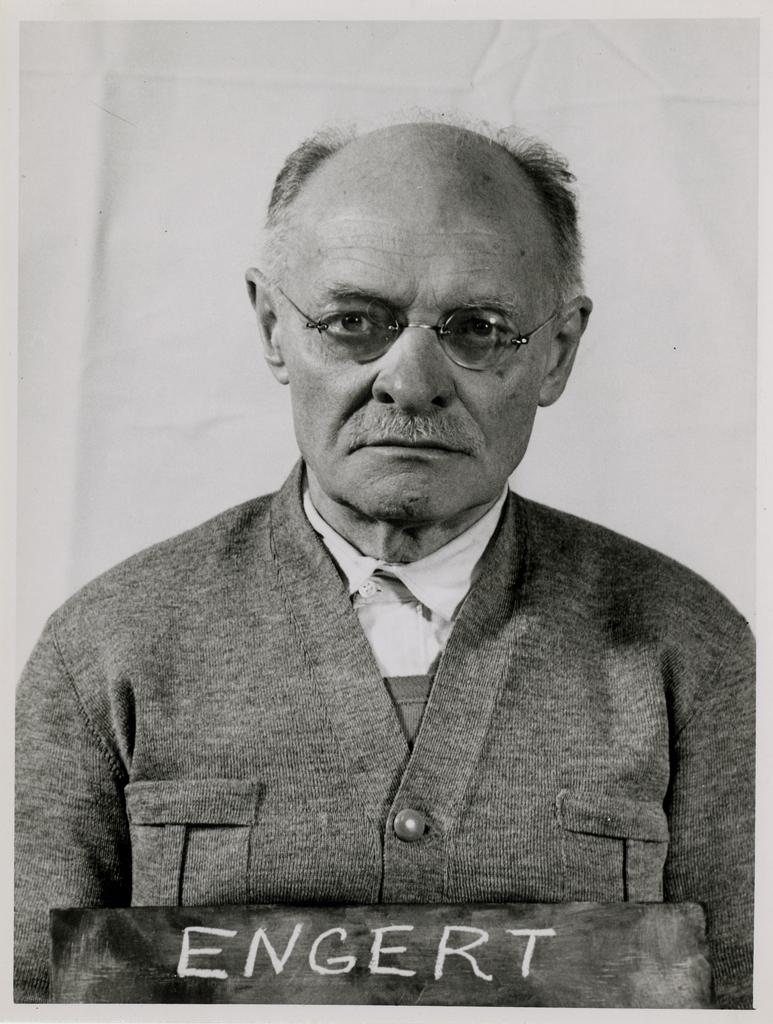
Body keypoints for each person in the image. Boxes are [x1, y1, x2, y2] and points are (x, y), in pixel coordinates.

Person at [14, 118, 754, 1008]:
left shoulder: (690, 649)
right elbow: (27, 997)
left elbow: (744, 994)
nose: (410, 380)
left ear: (557, 351)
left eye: (478, 329)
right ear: (273, 326)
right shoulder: (105, 648)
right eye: (353, 323)